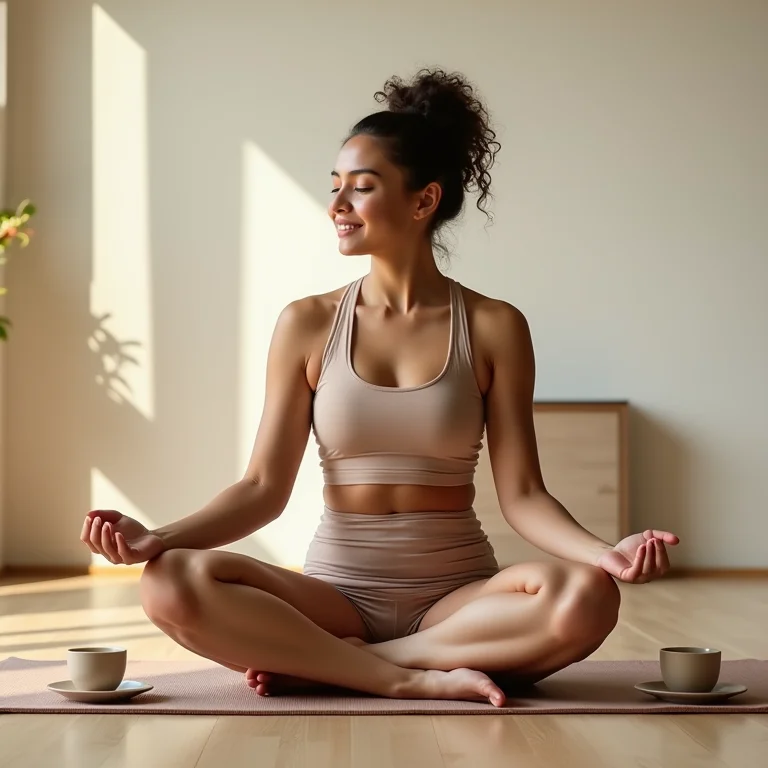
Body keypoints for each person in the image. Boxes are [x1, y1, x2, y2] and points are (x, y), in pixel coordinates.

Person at [80, 68, 679, 707]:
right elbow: (262, 489)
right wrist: (160, 538)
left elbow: (524, 495)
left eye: (361, 188)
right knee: (170, 581)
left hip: (457, 603)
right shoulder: (307, 323)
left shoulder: (494, 326)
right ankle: (401, 676)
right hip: (333, 597)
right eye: (335, 187)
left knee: (588, 596)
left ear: (423, 201)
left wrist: (605, 554)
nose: (337, 204)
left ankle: (343, 668)